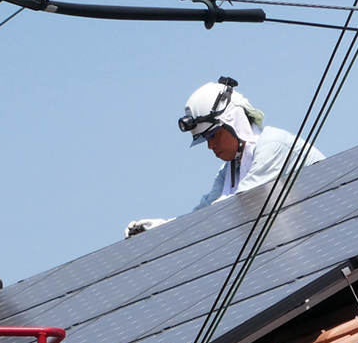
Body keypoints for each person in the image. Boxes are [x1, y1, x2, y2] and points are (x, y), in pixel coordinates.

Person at [125, 77, 325, 238]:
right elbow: (204, 214)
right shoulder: (228, 172)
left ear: (234, 122)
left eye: (213, 135)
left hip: (321, 235)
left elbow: (235, 206)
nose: (211, 145)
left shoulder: (272, 144)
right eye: (205, 139)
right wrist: (162, 230)